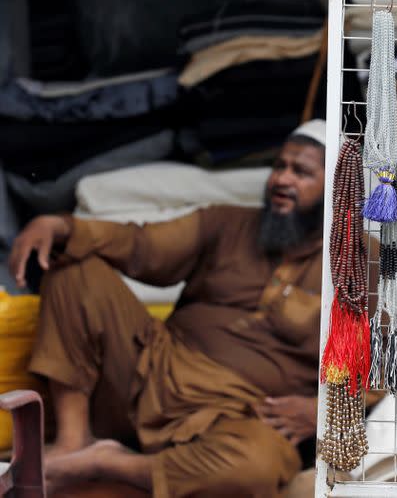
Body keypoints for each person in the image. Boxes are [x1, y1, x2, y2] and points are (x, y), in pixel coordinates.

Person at [9, 120, 332, 497]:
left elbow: (379, 372)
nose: (281, 179)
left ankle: (106, 462)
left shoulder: (354, 268)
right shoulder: (227, 223)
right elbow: (141, 244)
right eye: (279, 166)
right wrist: (61, 226)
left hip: (239, 413)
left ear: (338, 188)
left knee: (253, 468)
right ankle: (73, 439)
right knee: (76, 265)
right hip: (152, 368)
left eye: (302, 172)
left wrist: (317, 410)